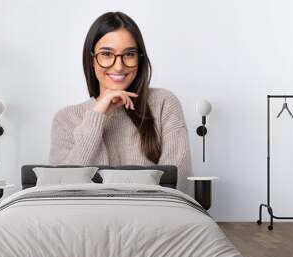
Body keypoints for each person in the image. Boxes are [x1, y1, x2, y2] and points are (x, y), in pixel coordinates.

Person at [49, 11, 194, 197]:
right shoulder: (66, 118)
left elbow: (179, 185)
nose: (119, 66)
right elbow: (59, 191)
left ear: (139, 58)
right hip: (87, 222)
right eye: (107, 54)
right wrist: (97, 117)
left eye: (129, 54)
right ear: (91, 59)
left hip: (151, 220)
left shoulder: (164, 103)